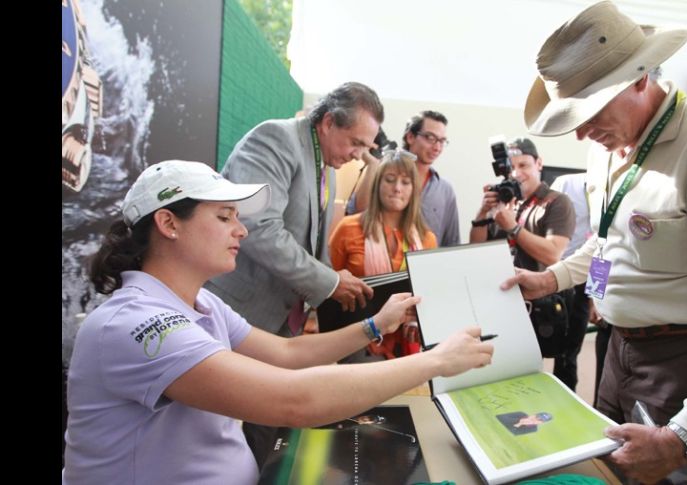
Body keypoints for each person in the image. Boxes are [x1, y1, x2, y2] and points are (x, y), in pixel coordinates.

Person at [62, 160, 494, 485]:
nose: (242, 231)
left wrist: (377, 324)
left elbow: (287, 354)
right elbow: (292, 401)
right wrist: (436, 361)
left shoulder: (201, 304)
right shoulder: (136, 324)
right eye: (224, 216)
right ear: (169, 223)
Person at [502, 1, 687, 480]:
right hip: (617, 353)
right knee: (610, 471)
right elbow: (608, 242)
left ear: (640, 78)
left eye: (589, 110)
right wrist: (553, 279)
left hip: (683, 363)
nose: (581, 134)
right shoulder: (607, 148)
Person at [206, 81, 383, 340]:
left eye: (365, 147)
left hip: (283, 322)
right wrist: (330, 282)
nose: (358, 155)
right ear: (328, 122)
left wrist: (334, 281)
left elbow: (312, 246)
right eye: (356, 143)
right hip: (239, 311)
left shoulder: (328, 168)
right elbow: (258, 228)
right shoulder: (275, 139)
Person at [469, 137, 576, 386]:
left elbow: (552, 254)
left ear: (539, 163)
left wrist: (513, 227)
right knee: (500, 373)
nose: (517, 173)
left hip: (540, 306)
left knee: (536, 376)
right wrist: (483, 214)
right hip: (502, 301)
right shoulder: (507, 202)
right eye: (512, 167)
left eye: (524, 165)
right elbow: (477, 250)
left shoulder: (556, 202)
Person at [330, 149, 437, 360]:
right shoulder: (348, 229)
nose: (397, 188)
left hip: (408, 345)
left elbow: (428, 293)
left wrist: (416, 320)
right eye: (390, 180)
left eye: (406, 182)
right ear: (377, 184)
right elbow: (329, 287)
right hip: (356, 343)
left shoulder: (427, 239)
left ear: (414, 190)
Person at [347, 110, 460, 247]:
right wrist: (372, 166)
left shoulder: (445, 191)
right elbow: (356, 217)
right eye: (430, 138)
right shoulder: (380, 176)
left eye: (442, 141)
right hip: (377, 260)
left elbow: (451, 243)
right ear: (410, 137)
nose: (437, 147)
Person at [549, 172, 592, 391]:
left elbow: (601, 250)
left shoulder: (612, 191)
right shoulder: (566, 183)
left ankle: (565, 398)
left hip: (586, 280)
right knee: (548, 339)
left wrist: (596, 296)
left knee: (570, 351)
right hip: (557, 273)